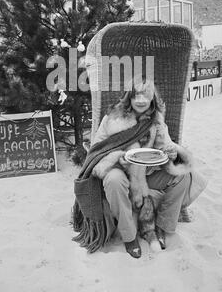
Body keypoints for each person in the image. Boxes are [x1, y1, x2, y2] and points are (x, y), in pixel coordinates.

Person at [72, 78, 207, 258]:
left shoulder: (155, 120)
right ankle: (129, 237)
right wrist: (118, 158)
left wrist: (171, 154)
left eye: (146, 96)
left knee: (182, 176)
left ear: (152, 98)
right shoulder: (112, 117)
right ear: (129, 97)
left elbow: (163, 146)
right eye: (136, 96)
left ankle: (162, 227)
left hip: (145, 173)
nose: (141, 100)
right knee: (113, 180)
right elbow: (96, 149)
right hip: (118, 168)